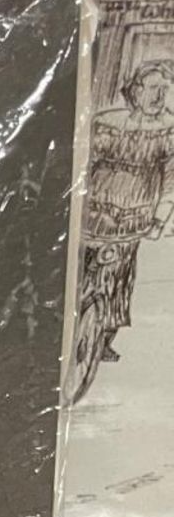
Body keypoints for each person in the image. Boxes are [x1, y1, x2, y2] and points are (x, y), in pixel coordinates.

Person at [76, 59, 174, 402]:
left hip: (132, 222)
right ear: (135, 90)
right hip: (91, 216)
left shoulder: (168, 130)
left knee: (118, 280)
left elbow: (170, 180)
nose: (158, 96)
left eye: (164, 90)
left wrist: (160, 219)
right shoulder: (108, 123)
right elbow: (84, 164)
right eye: (152, 88)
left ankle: (103, 338)